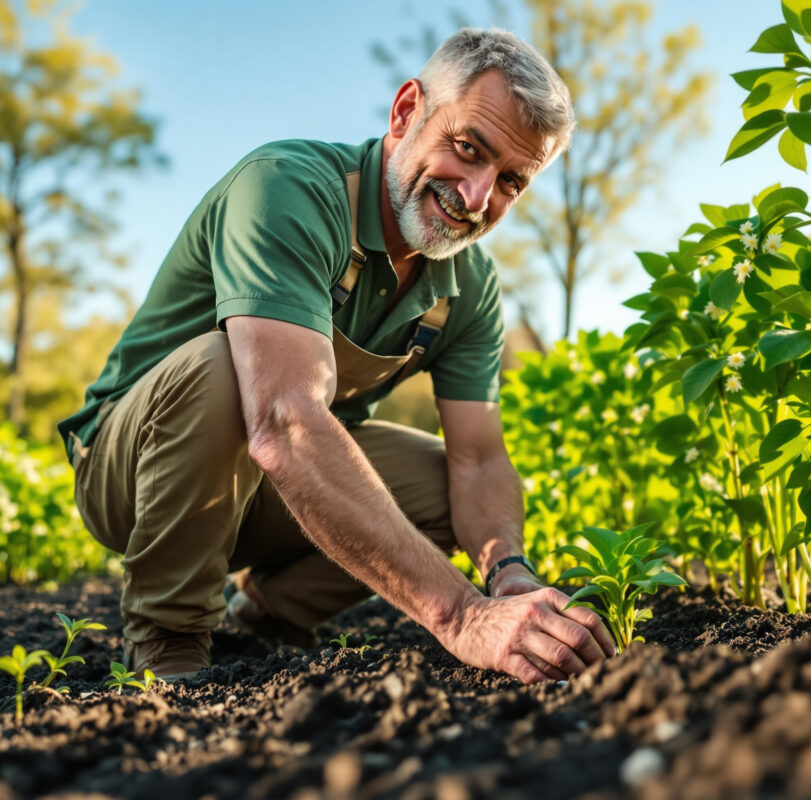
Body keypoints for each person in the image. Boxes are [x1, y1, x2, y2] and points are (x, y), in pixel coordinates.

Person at [57, 29, 615, 684]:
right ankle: (169, 641)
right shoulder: (292, 190)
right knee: (224, 368)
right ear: (407, 111)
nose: (475, 199)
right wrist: (462, 615)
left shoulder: (468, 288)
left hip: (259, 491)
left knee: (445, 484)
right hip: (133, 472)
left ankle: (270, 612)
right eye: (468, 149)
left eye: (510, 182)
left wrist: (506, 575)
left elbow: (480, 459)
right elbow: (286, 419)